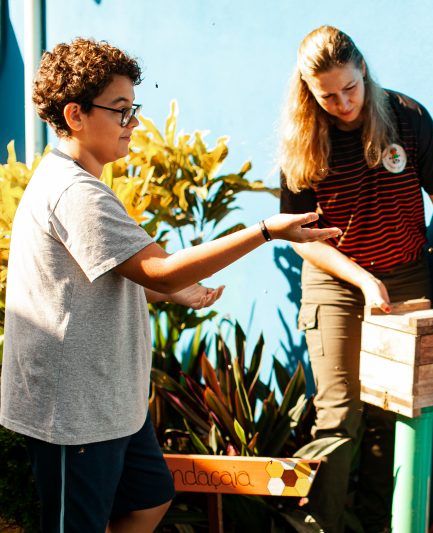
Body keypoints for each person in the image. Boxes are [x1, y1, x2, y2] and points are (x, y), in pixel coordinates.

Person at [0, 38, 340, 533]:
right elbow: (159, 268)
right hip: (73, 414)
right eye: (120, 111)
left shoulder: (80, 182)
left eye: (132, 109)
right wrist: (264, 231)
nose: (133, 123)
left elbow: (123, 275)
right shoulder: (75, 191)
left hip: (112, 406)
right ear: (75, 115)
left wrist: (172, 290)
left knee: (151, 496)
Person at [278, 25, 433, 533]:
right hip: (335, 281)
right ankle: (316, 527)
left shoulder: (407, 118)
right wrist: (363, 281)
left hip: (407, 272)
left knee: (389, 413)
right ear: (308, 90)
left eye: (349, 88)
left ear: (363, 71)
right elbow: (303, 237)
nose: (343, 102)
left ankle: (377, 525)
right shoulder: (301, 138)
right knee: (340, 413)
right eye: (327, 95)